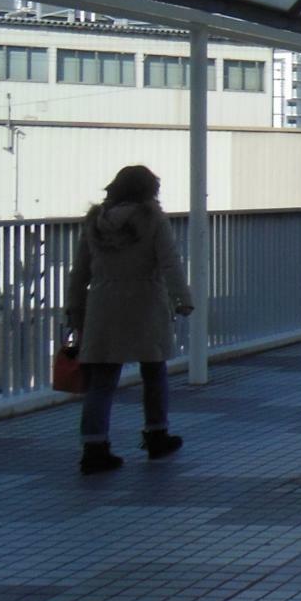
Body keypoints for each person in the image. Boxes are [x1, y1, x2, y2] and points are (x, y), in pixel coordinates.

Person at [65, 164, 193, 475]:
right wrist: (182, 298)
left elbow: (80, 270)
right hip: (145, 301)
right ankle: (156, 435)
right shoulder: (152, 220)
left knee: (102, 381)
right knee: (154, 370)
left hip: (102, 304)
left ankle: (94, 447)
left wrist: (73, 309)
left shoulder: (95, 222)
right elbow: (169, 263)